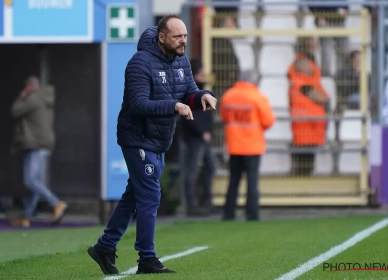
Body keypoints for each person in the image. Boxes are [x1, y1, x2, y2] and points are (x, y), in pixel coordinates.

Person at [87, 15, 217, 275]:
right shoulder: (140, 63)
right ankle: (147, 258)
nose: (183, 41)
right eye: (177, 37)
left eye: (185, 36)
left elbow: (188, 92)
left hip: (159, 140)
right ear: (161, 37)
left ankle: (105, 246)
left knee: (134, 195)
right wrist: (174, 106)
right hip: (138, 138)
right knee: (150, 195)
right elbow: (138, 104)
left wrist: (202, 96)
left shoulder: (181, 60)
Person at [9, 76, 68, 228]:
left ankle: (56, 203)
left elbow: (15, 111)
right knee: (34, 181)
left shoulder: (33, 98)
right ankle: (26, 217)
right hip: (44, 144)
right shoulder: (45, 96)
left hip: (35, 144)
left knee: (30, 180)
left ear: (29, 86)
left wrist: (22, 96)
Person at [220, 69, 275, 221]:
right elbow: (268, 121)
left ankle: (228, 213)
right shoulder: (257, 97)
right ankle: (251, 214)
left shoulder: (228, 95)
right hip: (252, 146)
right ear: (255, 81)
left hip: (234, 145)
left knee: (233, 181)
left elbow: (224, 117)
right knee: (252, 182)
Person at [287, 38, 330, 176]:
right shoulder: (303, 84)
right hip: (307, 127)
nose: (311, 67)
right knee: (305, 163)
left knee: (304, 160)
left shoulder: (298, 82)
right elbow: (322, 97)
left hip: (307, 127)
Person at [181, 58, 216, 216]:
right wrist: (203, 131)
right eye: (201, 71)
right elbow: (191, 116)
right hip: (196, 138)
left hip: (203, 136)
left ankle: (205, 201)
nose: (204, 73)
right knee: (192, 171)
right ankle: (192, 205)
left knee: (210, 167)